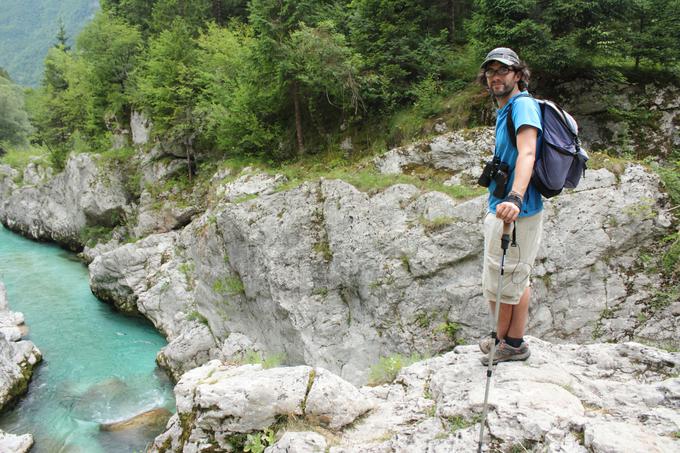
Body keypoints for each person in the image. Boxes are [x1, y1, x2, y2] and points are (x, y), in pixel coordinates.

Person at [476, 47, 543, 364]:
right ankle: (513, 341)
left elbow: (528, 152)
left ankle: (502, 341)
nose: (495, 76)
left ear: (518, 74)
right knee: (516, 277)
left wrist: (514, 197)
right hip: (509, 207)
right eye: (490, 71)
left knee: (499, 278)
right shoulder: (508, 109)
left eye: (503, 70)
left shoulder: (523, 106)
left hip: (515, 210)